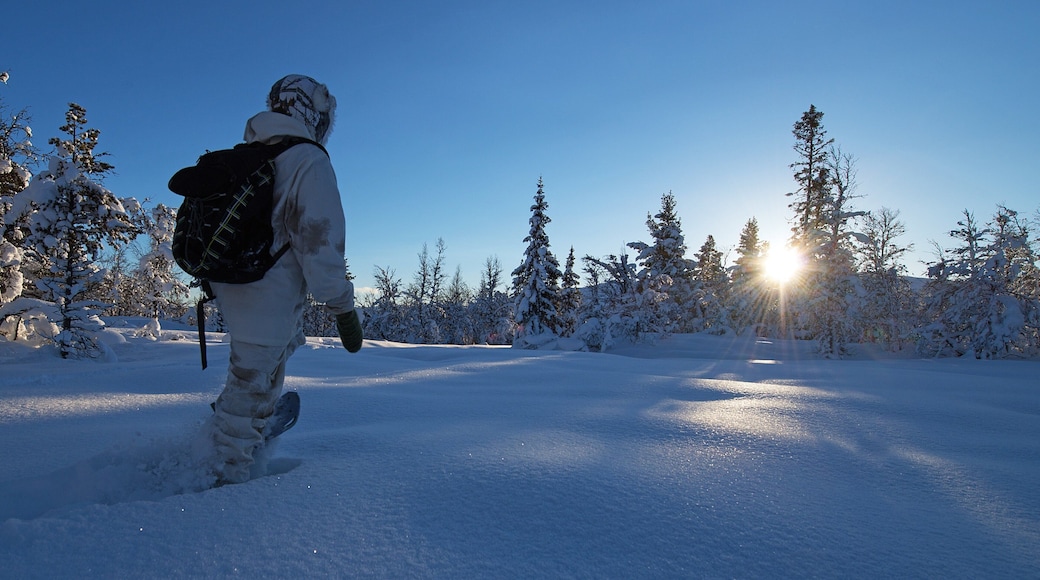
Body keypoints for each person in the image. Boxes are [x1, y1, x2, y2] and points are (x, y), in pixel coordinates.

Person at [194, 74, 363, 485]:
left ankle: (247, 417)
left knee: (262, 364)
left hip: (234, 284)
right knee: (252, 379)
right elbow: (319, 241)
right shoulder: (307, 160)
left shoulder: (252, 153)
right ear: (311, 112)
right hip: (267, 290)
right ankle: (222, 479)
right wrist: (342, 306)